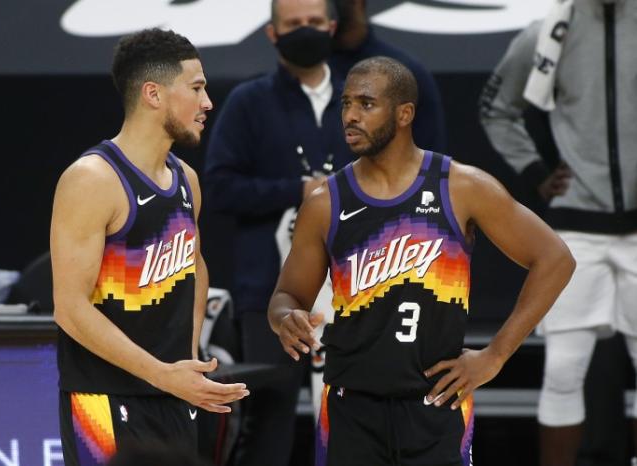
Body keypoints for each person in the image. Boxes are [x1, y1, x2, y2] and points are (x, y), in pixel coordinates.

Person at [268, 56, 575, 466]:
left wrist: (495, 355)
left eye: (366, 103)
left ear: (404, 114)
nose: (351, 116)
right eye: (346, 104)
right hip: (350, 407)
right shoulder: (326, 201)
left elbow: (555, 258)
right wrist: (286, 318)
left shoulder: (461, 186)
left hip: (437, 405)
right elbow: (287, 296)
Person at [51, 28, 249, 465]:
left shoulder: (187, 179)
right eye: (196, 88)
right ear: (153, 94)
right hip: (105, 397)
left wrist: (188, 358)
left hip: (173, 393)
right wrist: (162, 374)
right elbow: (70, 308)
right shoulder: (92, 179)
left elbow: (195, 266)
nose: (207, 103)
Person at [479, 1, 637, 464]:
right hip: (577, 228)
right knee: (564, 370)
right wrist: (536, 172)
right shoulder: (550, 31)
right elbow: (495, 108)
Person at [203, 0, 355, 464]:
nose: (304, 31)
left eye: (313, 22)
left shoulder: (359, 98)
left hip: (356, 286)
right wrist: (298, 189)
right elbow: (220, 186)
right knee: (269, 418)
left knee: (354, 412)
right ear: (272, 32)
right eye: (293, 24)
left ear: (332, 26)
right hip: (270, 289)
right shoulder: (249, 101)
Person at [329, 0, 446, 153]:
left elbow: (429, 159)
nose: (350, 116)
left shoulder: (405, 73)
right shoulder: (302, 72)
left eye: (367, 104)